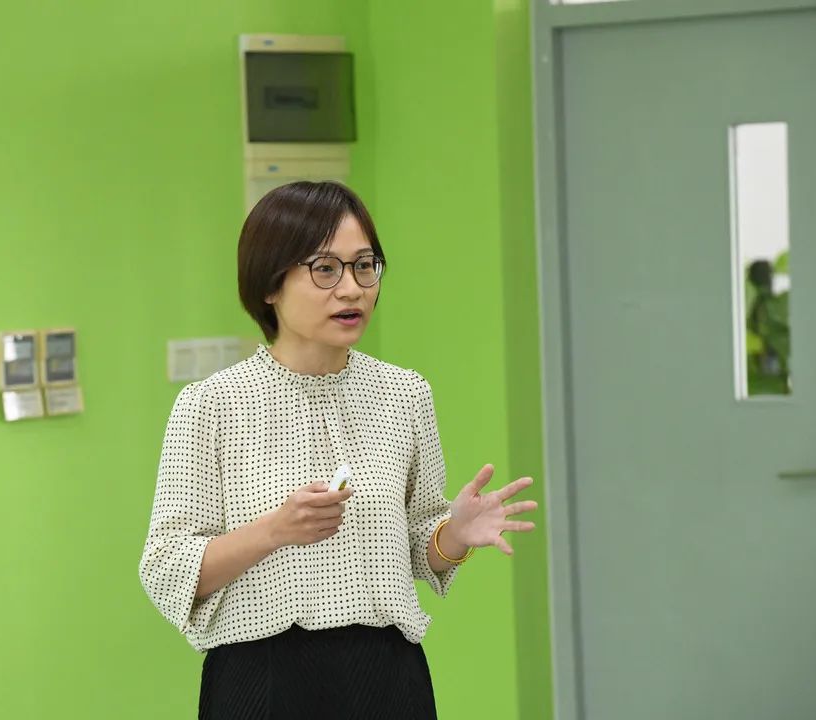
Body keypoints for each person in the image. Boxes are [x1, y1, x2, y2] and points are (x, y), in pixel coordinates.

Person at [139, 181, 538, 719]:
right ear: (269, 284)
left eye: (364, 266)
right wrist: (275, 530)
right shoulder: (211, 404)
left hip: (387, 676)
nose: (352, 289)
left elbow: (416, 546)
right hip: (261, 677)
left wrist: (455, 535)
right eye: (325, 269)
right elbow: (167, 567)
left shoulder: (405, 394)